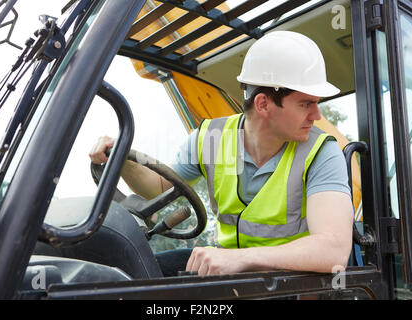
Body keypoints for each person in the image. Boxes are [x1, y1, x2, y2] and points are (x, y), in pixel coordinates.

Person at [89, 31, 353, 277]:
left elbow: (333, 251)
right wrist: (121, 159)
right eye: (306, 104)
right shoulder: (210, 138)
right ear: (263, 104)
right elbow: (157, 189)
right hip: (232, 268)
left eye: (316, 104)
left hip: (290, 278)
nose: (317, 116)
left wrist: (242, 258)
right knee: (134, 273)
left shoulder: (322, 152)